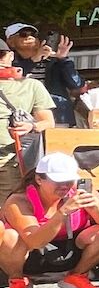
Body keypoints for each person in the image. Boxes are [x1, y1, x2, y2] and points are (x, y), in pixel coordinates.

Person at [1, 152, 99, 288]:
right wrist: (62, 213)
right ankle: (17, 280)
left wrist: (96, 209)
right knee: (10, 236)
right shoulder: (19, 201)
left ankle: (77, 276)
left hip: (70, 250)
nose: (65, 185)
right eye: (58, 181)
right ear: (39, 179)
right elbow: (35, 241)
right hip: (34, 255)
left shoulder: (79, 189)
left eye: (68, 180)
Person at [0, 46, 54, 202]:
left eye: (1, 54)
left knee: (8, 210)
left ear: (10, 56)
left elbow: (48, 122)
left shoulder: (30, 85)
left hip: (10, 159)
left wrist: (32, 126)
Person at [5, 25, 81, 128]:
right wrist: (33, 60)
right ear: (10, 42)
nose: (30, 37)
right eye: (24, 34)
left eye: (33, 34)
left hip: (57, 117)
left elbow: (76, 84)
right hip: (22, 119)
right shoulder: (8, 63)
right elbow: (13, 78)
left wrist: (63, 59)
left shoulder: (53, 61)